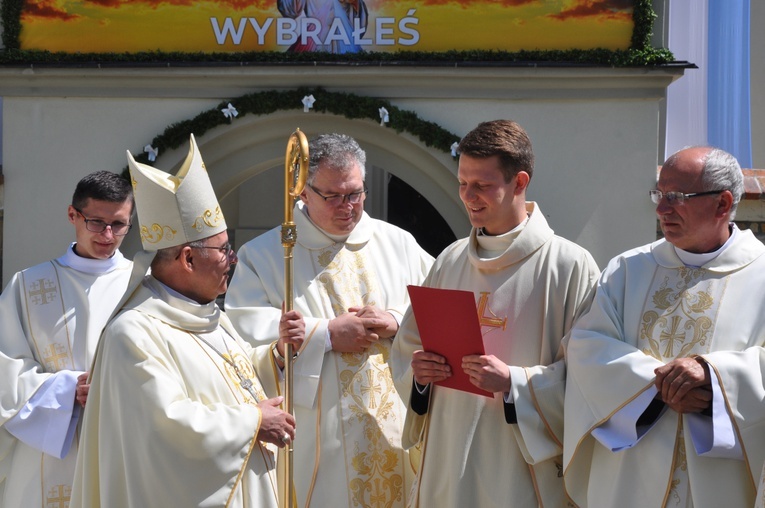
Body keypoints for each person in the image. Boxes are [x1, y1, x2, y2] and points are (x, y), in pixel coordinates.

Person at [70, 135, 295, 507]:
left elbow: (229, 381)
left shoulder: (209, 313)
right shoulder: (134, 332)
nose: (232, 259)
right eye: (223, 249)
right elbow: (166, 427)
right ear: (188, 259)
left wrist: (277, 357)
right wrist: (253, 422)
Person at [390, 119, 599, 508]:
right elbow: (408, 347)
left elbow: (591, 374)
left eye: (482, 185)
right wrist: (420, 374)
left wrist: (514, 383)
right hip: (447, 456)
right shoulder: (450, 260)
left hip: (518, 463)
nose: (468, 196)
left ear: (520, 182)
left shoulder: (569, 266)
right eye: (462, 183)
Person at [225, 133, 434, 508]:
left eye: (354, 193)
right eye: (333, 196)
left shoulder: (399, 244)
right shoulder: (267, 255)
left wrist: (397, 323)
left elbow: (437, 313)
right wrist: (324, 334)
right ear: (302, 192)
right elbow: (241, 342)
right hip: (316, 441)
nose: (347, 206)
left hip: (396, 430)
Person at [563, 146, 765, 508]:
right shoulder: (627, 269)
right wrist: (660, 385)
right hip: (630, 480)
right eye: (659, 194)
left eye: (676, 197)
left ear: (722, 204)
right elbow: (585, 347)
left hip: (723, 487)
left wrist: (714, 376)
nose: (661, 209)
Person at [0, 171, 134, 507]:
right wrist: (68, 390)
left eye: (118, 225)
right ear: (72, 215)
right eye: (96, 222)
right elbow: (4, 369)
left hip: (123, 440)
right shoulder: (29, 285)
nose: (108, 235)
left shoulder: (143, 285)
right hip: (46, 451)